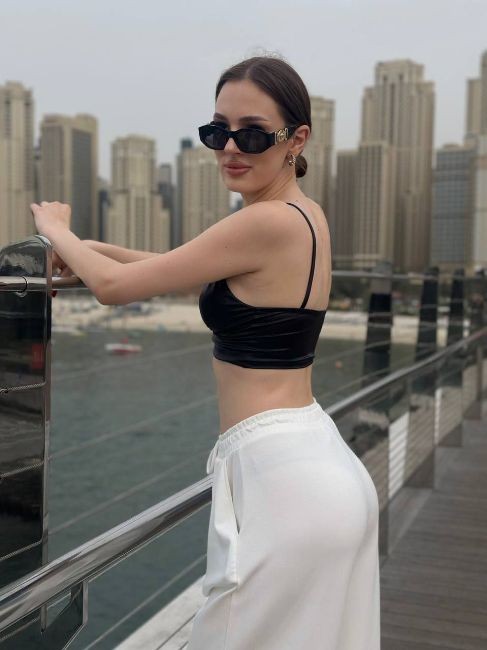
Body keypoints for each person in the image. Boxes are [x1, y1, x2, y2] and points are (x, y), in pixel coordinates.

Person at [31, 55, 381, 650]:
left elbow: (115, 289)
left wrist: (57, 229)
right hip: (311, 459)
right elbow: (183, 268)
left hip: (284, 483)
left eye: (252, 134)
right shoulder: (304, 215)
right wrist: (92, 249)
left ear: (297, 139)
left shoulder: (264, 222)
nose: (230, 148)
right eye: (218, 132)